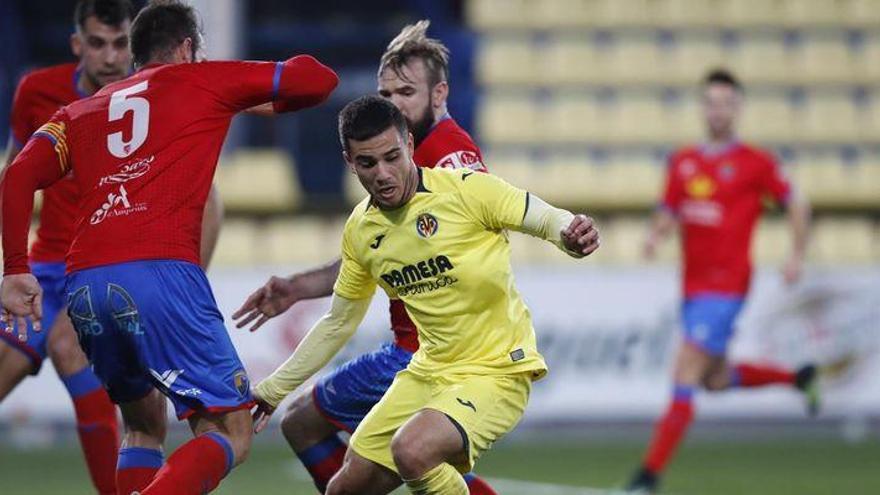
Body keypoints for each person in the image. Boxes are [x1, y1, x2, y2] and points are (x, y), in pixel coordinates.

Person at [0, 2, 338, 494]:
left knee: (142, 426)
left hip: (87, 285)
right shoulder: (202, 80)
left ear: (134, 56)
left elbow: (18, 176)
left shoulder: (79, 111)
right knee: (230, 431)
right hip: (160, 271)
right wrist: (236, 85)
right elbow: (317, 79)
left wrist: (14, 267)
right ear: (186, 48)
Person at [249, 95, 600, 495]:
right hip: (428, 371)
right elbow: (339, 320)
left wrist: (571, 235)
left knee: (413, 450)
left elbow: (544, 218)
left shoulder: (467, 192)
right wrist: (273, 389)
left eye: (391, 157)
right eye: (367, 163)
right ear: (350, 162)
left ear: (410, 147)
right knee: (343, 490)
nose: (382, 173)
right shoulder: (362, 231)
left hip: (496, 370)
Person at [233, 20, 497, 494]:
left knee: (309, 426)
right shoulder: (407, 158)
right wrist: (297, 288)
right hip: (418, 347)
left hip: (424, 353)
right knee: (348, 439)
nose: (390, 103)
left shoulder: (447, 160)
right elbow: (372, 260)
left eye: (405, 92)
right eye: (384, 91)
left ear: (439, 95)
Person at [626, 69, 816, 494]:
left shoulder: (756, 162)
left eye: (727, 103)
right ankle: (798, 378)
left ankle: (647, 477)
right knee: (712, 380)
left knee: (684, 371)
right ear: (703, 107)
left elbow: (797, 203)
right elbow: (669, 208)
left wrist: (796, 256)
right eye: (711, 102)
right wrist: (657, 233)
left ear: (738, 108)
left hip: (727, 287)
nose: (719, 111)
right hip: (693, 288)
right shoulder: (683, 161)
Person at [0, 2, 134, 493]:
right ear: (78, 45)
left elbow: (208, 200)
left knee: (67, 347)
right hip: (46, 268)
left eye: (121, 43)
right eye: (98, 43)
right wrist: (13, 266)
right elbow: (16, 178)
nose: (111, 56)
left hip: (109, 267)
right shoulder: (36, 92)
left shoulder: (149, 98)